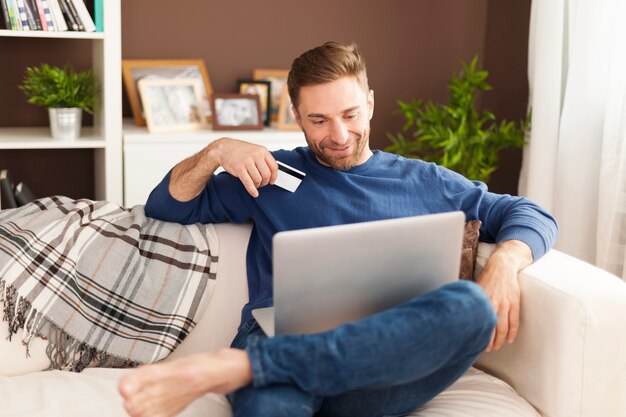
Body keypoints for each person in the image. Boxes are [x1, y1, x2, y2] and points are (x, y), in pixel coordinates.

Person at [118, 41, 558, 417]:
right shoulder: (268, 172)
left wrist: (505, 260)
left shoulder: (425, 180)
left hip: (380, 363)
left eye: (350, 114)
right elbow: (167, 206)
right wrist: (215, 151)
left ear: (369, 102)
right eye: (319, 120)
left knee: (471, 306)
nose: (340, 134)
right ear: (296, 114)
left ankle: (249, 366)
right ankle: (262, 366)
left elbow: (530, 214)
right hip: (281, 343)